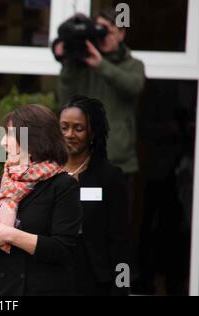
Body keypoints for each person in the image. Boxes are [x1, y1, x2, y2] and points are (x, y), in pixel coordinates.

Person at [0, 104, 82, 296]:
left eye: (10, 135)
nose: (3, 143)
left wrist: (11, 235)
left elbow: (63, 249)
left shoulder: (63, 185)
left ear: (33, 140)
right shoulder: (2, 181)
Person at [55, 10, 145, 183]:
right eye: (98, 31)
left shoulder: (133, 65)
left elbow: (132, 86)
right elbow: (66, 101)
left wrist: (100, 65)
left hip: (119, 161)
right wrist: (68, 63)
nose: (103, 36)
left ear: (121, 33)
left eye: (108, 31)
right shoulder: (82, 66)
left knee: (116, 210)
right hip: (82, 159)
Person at [59, 95, 130, 295]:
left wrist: (122, 288)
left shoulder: (109, 177)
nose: (69, 134)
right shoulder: (45, 172)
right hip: (50, 275)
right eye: (64, 127)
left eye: (78, 128)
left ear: (92, 133)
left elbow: (120, 241)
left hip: (93, 278)